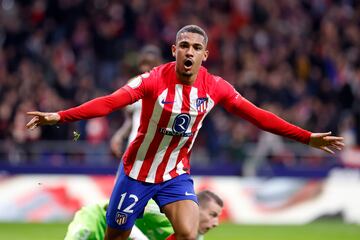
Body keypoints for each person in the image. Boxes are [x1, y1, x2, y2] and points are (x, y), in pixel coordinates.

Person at [26, 25, 344, 240]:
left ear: (205, 54)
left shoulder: (216, 87)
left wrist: (307, 137)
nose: (189, 52)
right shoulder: (152, 80)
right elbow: (108, 103)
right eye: (184, 46)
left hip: (175, 175)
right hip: (136, 172)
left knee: (190, 233)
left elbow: (258, 116)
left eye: (196, 48)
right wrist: (59, 116)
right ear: (174, 50)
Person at [64, 190, 222, 240]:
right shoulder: (163, 212)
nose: (216, 223)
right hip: (97, 220)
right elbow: (116, 212)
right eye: (212, 214)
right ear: (195, 208)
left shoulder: (195, 237)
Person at [110, 45, 163, 158]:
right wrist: (119, 135)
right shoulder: (133, 84)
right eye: (144, 63)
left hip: (157, 148)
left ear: (158, 63)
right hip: (134, 144)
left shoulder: (167, 86)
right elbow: (130, 120)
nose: (145, 68)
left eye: (150, 64)